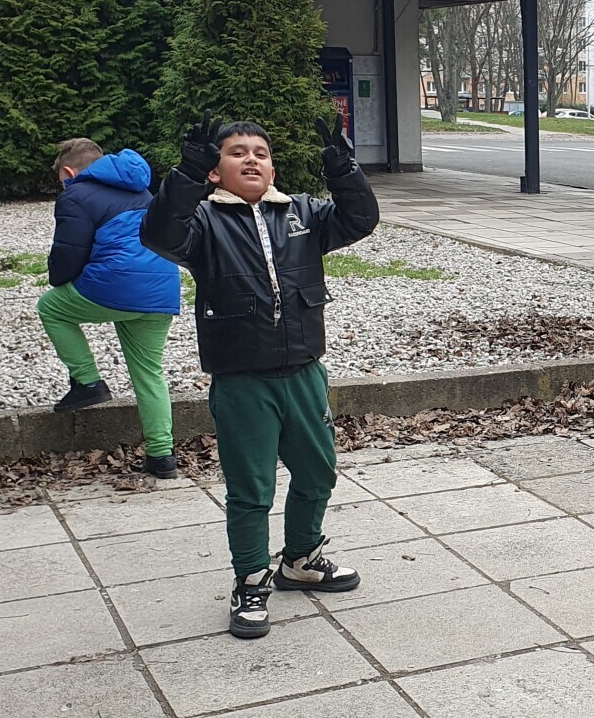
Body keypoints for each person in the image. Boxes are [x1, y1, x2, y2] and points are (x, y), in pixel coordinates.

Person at [142, 114, 379, 640]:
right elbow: (159, 233)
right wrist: (186, 173)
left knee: (318, 474)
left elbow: (361, 218)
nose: (251, 159)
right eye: (237, 152)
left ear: (272, 168)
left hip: (304, 373)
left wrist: (341, 165)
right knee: (252, 489)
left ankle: (301, 558)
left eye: (261, 153)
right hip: (243, 380)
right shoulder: (203, 222)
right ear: (215, 170)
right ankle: (250, 581)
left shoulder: (303, 213)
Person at [39, 138, 183, 478]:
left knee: (51, 308)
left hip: (115, 285)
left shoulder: (75, 194)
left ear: (69, 172)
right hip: (162, 288)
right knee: (149, 372)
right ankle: (162, 456)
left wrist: (58, 280)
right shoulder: (143, 190)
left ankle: (88, 381)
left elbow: (69, 252)